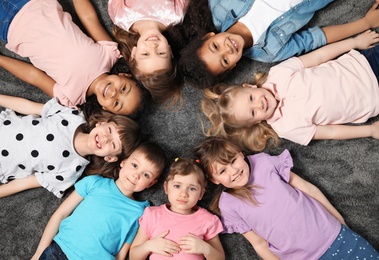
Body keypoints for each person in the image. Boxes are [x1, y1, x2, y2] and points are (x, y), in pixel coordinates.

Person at [193, 136, 379, 259]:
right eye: (223, 171)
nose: (233, 171)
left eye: (233, 160)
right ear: (214, 179)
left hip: (334, 235)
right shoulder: (229, 204)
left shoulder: (263, 162)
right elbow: (259, 243)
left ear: (241, 154)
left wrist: (338, 218)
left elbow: (308, 189)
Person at [201, 30, 379, 150]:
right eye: (253, 112)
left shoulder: (278, 74)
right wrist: (370, 131)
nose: (259, 105)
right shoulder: (285, 128)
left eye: (251, 99)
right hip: (372, 99)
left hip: (363, 63)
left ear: (249, 87)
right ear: (255, 123)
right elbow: (331, 131)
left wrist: (354, 41)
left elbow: (319, 56)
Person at [178, 0, 379, 88]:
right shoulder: (270, 52)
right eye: (224, 60)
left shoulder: (220, 7)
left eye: (215, 46)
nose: (227, 49)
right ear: (233, 66)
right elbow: (316, 38)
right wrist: (365, 23)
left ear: (209, 36)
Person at [0, 0, 144, 116]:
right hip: (35, 3)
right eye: (124, 89)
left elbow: (34, 76)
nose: (113, 93)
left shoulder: (70, 98)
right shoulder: (110, 54)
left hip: (10, 29)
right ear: (125, 75)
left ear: (105, 109)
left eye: (117, 104)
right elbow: (88, 18)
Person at [31, 141, 167, 260]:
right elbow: (60, 214)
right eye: (135, 165)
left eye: (146, 174)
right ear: (123, 162)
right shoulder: (94, 182)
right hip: (60, 251)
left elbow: (123, 251)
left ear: (150, 183)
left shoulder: (141, 212)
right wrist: (39, 252)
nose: (136, 175)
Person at [0, 94, 142, 198]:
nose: (105, 138)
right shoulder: (72, 116)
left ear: (110, 158)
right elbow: (28, 106)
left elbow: (24, 183)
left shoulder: (71, 171)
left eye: (113, 144)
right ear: (101, 123)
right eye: (109, 130)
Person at [130, 158, 225, 260]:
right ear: (166, 188)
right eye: (177, 186)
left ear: (201, 194)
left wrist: (206, 249)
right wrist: (149, 246)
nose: (183, 194)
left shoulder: (208, 220)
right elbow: (133, 256)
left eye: (192, 188)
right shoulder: (152, 215)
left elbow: (220, 258)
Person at [108, 0, 189, 105]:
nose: (153, 46)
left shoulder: (120, 17)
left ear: (133, 54)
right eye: (161, 53)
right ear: (170, 51)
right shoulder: (176, 15)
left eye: (145, 54)